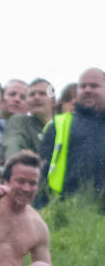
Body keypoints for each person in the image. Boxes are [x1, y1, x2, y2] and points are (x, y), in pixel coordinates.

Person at [38, 67, 105, 209]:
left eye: (94, 86)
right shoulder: (58, 125)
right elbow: (40, 174)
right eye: (82, 86)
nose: (87, 90)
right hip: (63, 212)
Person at [1, 78, 54, 162]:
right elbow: (13, 147)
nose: (36, 97)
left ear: (53, 101)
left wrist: (36, 159)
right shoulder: (19, 121)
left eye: (42, 94)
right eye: (32, 94)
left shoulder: (62, 127)